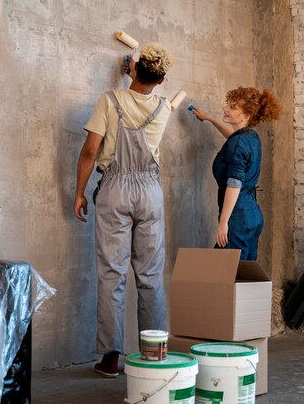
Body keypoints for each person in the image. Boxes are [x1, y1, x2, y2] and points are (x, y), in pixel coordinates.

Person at [73, 43, 174, 378]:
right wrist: (137, 70)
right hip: (150, 191)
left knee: (112, 274)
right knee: (150, 276)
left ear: (133, 68)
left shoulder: (110, 101)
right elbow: (145, 88)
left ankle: (111, 358)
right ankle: (155, 355)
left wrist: (80, 192)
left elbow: (90, 151)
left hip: (115, 188)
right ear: (161, 81)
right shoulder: (163, 108)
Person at [192, 87, 280, 261]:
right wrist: (210, 118)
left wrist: (224, 223)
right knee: (244, 275)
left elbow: (234, 183)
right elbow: (232, 137)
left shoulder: (239, 143)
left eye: (232, 107)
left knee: (228, 275)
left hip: (238, 217)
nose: (225, 108)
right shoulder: (250, 136)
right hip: (252, 215)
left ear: (245, 116)